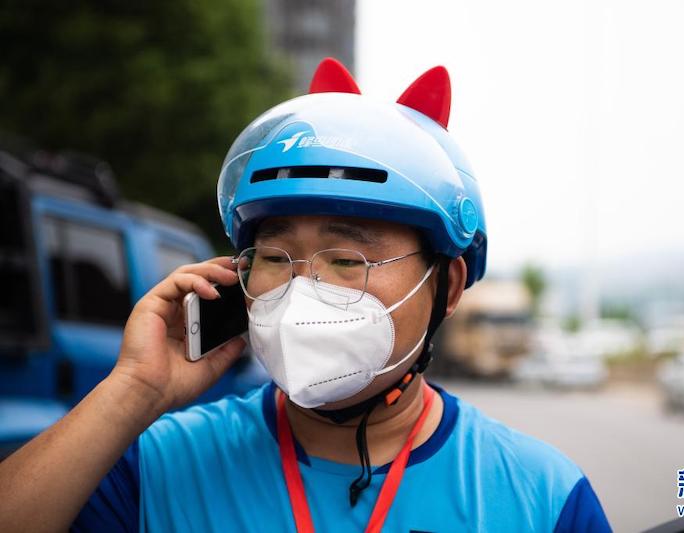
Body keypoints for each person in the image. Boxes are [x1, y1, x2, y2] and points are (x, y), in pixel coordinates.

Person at [0, 58, 611, 532]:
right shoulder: (158, 465)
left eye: (347, 260)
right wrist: (131, 393)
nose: (300, 290)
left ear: (446, 286)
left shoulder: (541, 497)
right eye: (273, 257)